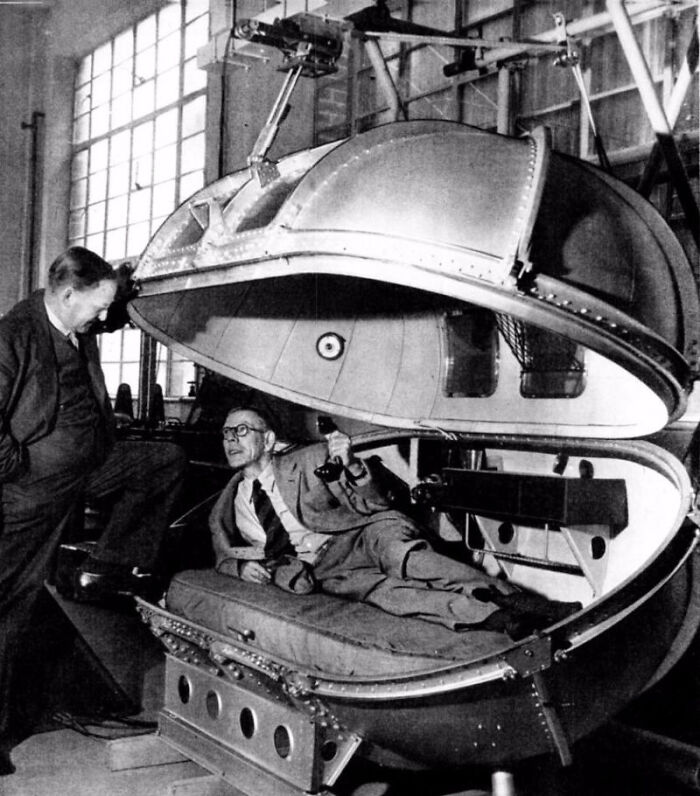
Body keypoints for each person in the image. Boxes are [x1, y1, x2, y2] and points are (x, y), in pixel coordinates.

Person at [0, 246, 187, 774]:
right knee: (8, 612)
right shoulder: (13, 336)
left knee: (162, 462)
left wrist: (132, 278)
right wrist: (21, 470)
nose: (103, 317)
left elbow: (113, 313)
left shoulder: (76, 324)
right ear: (66, 295)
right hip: (30, 496)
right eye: (97, 306)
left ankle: (106, 567)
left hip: (89, 470)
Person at [210, 405, 580, 642]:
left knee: (409, 560)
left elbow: (373, 502)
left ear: (270, 439)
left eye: (241, 431)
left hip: (363, 533)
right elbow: (222, 556)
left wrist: (353, 466)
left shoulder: (309, 460)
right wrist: (241, 567)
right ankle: (499, 619)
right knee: (393, 596)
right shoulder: (228, 504)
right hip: (323, 568)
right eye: (227, 434)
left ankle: (524, 602)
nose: (231, 441)